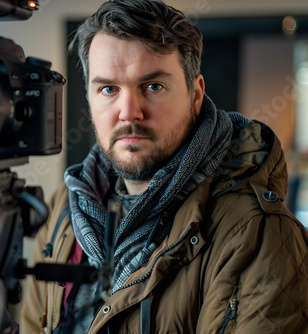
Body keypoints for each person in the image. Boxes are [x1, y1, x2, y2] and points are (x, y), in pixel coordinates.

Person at [21, 0, 308, 333]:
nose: (129, 111)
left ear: (196, 94)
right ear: (89, 98)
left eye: (153, 87)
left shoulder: (258, 234)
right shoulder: (66, 208)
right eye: (109, 89)